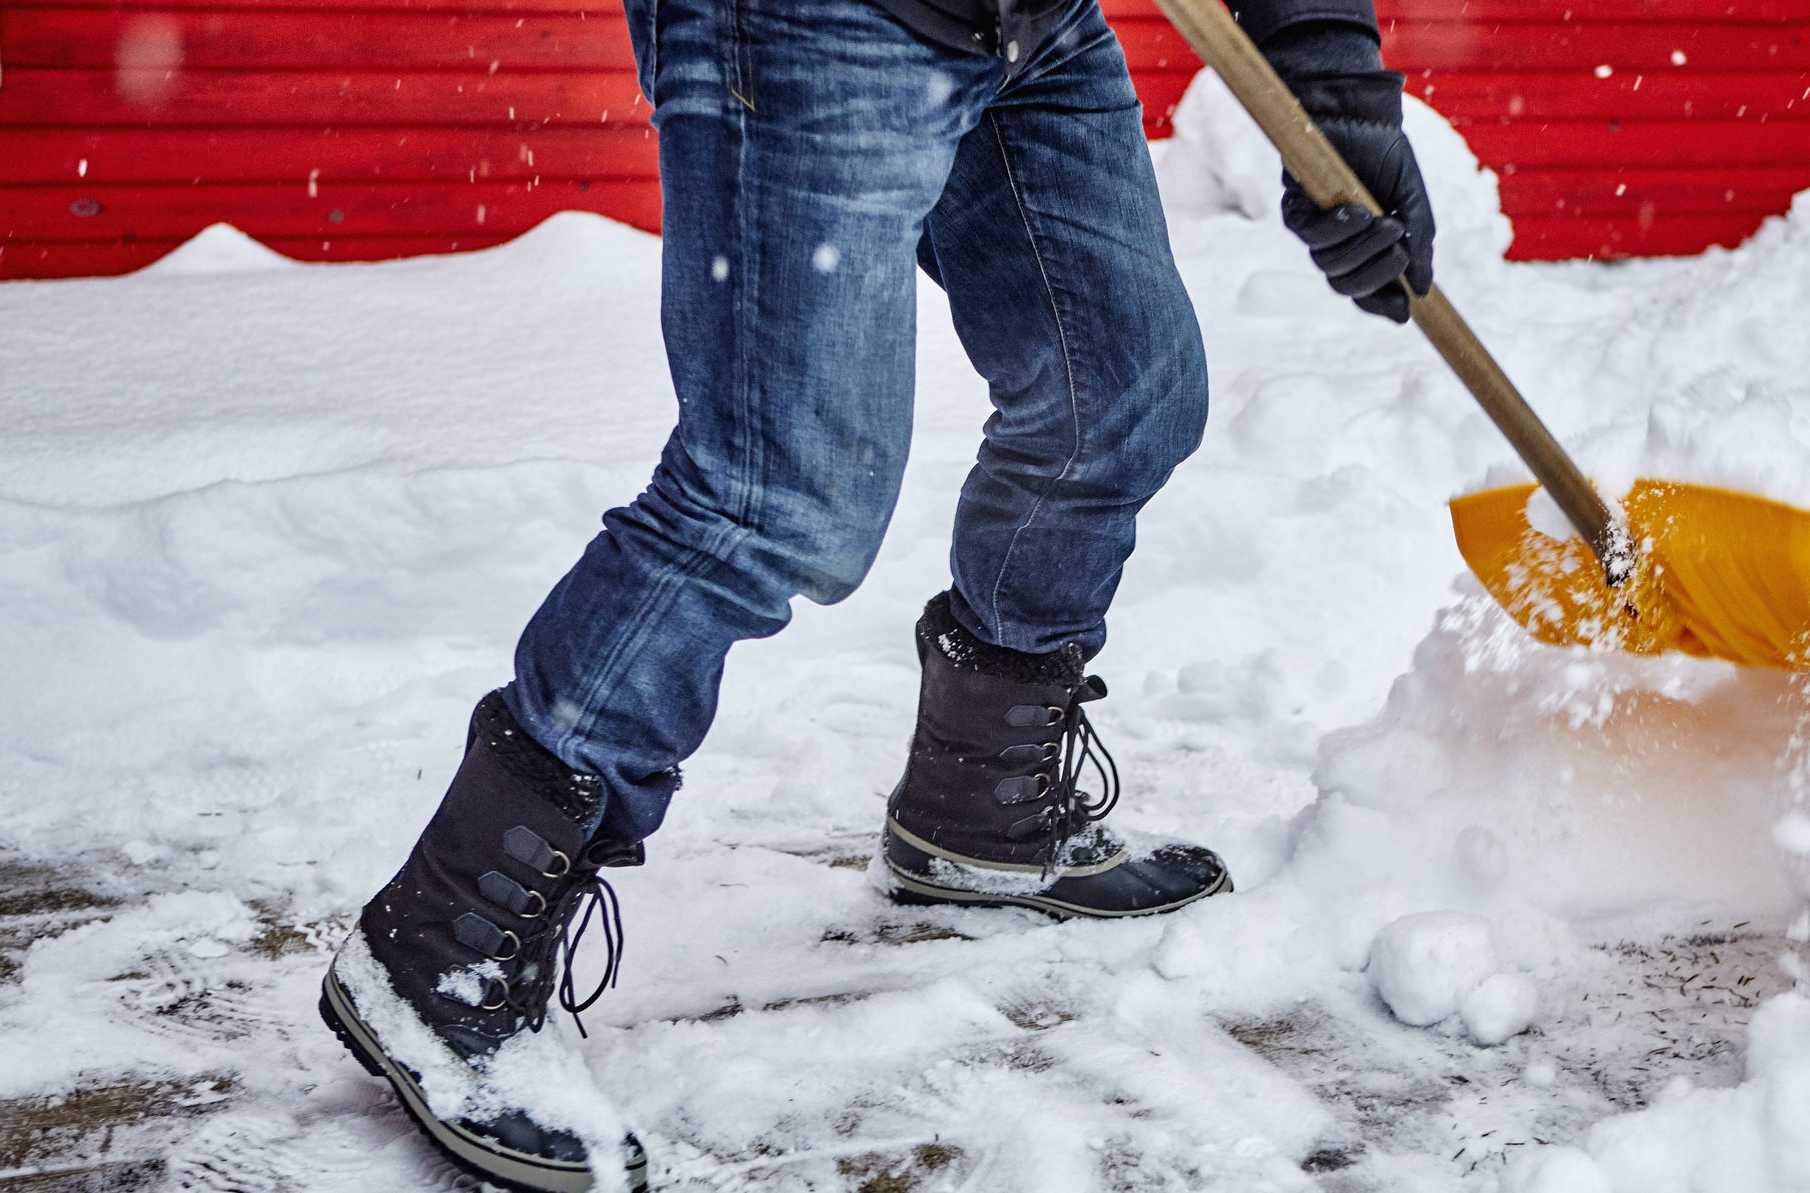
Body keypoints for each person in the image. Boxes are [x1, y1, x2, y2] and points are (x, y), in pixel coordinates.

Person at [316, 0, 1435, 1184]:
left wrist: (1335, 96)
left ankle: (981, 804)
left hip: (1029, 19)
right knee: (774, 493)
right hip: (815, 23)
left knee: (1118, 393)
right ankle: (445, 936)